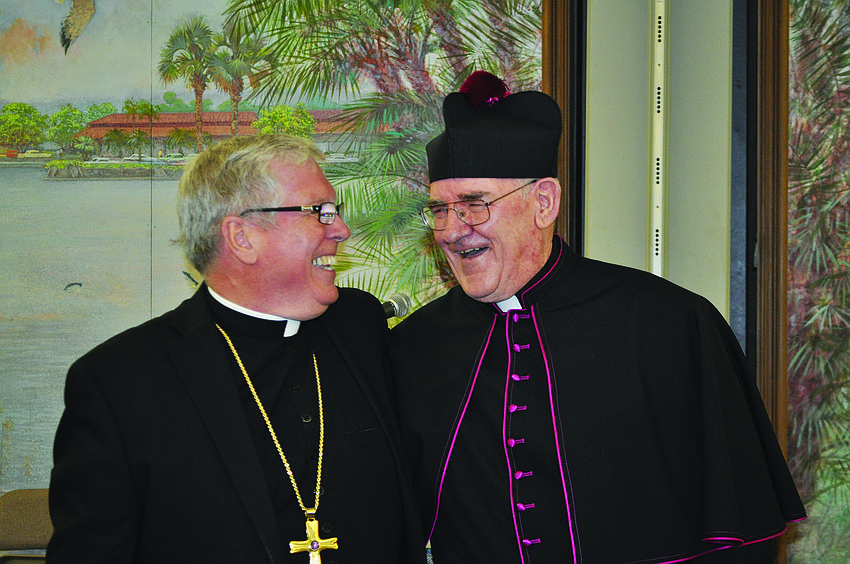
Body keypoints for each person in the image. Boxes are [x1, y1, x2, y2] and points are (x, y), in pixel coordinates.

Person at [389, 71, 807, 564]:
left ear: (543, 202)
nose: (453, 230)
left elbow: (741, 527)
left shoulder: (669, 324)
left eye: (474, 205)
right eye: (439, 209)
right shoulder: (414, 346)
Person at [48, 134, 425, 563]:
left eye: (334, 211)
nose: (341, 228)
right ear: (242, 237)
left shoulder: (361, 325)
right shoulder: (119, 383)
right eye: (318, 212)